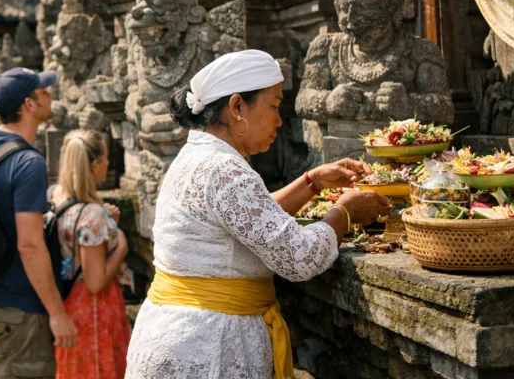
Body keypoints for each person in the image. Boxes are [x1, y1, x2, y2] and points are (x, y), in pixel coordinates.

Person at [125, 50, 391, 379]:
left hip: (178, 334)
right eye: (275, 105)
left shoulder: (199, 156)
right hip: (209, 346)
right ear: (237, 107)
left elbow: (251, 219)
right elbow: (299, 257)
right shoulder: (225, 170)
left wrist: (312, 182)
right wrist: (346, 211)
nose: (280, 121)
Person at [0, 67, 78, 379]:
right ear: (29, 104)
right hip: (20, 310)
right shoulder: (29, 163)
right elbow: (29, 246)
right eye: (44, 92)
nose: (50, 96)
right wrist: (57, 314)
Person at [49, 129, 131, 379]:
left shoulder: (56, 196)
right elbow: (95, 281)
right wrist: (121, 240)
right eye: (105, 158)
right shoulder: (92, 215)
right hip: (94, 310)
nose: (108, 163)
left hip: (69, 301)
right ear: (94, 165)